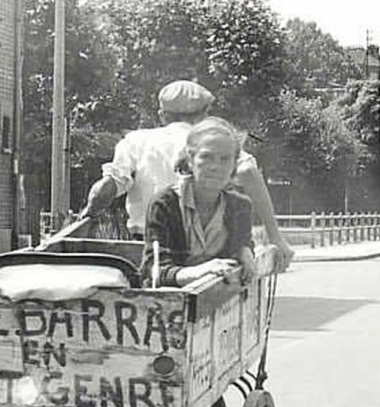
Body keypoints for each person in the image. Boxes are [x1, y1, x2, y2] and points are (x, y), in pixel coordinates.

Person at [81, 80, 294, 272]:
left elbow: (107, 188)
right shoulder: (211, 140)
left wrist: (88, 213)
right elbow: (247, 171)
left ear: (162, 115)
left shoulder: (137, 140)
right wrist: (276, 237)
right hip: (207, 251)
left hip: (149, 246)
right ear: (204, 115)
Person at [141, 117, 255, 288]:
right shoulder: (164, 204)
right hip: (170, 304)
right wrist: (200, 272)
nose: (215, 166)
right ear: (190, 159)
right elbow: (155, 270)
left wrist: (245, 250)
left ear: (234, 164)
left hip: (220, 302)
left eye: (225, 159)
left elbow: (243, 243)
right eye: (206, 157)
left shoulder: (240, 206)